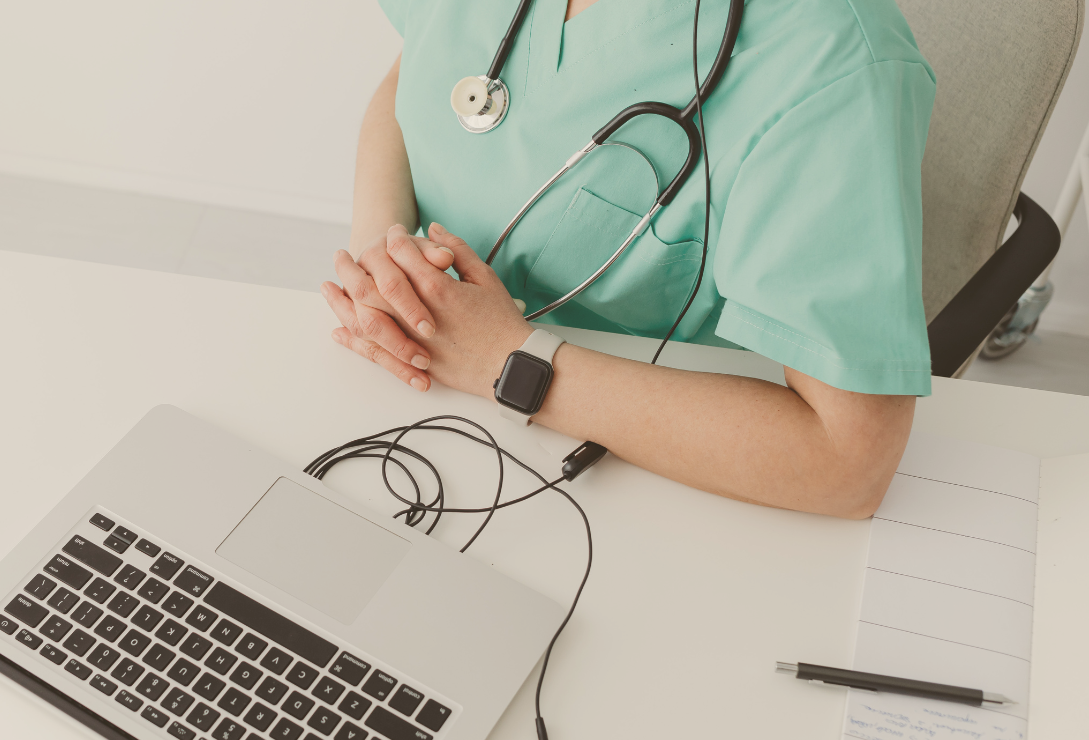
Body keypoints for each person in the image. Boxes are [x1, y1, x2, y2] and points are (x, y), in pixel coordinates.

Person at [319, 0, 937, 519]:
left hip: (637, 478)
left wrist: (508, 363)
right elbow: (411, 79)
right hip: (409, 401)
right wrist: (387, 251)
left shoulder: (833, 59)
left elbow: (849, 462)